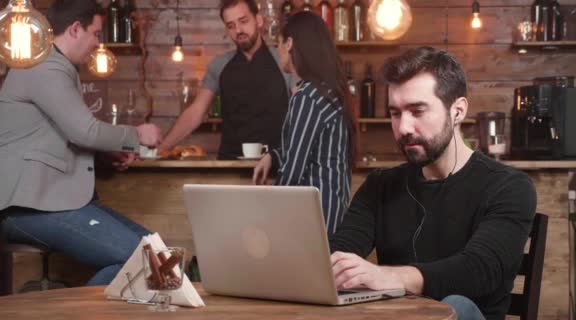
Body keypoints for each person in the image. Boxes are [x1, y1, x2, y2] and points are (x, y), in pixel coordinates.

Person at [328, 47, 537, 320]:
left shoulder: (509, 187)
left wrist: (387, 276)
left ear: (458, 111)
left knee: (456, 304)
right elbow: (339, 252)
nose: (403, 127)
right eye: (395, 113)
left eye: (417, 111)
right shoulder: (380, 185)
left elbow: (478, 269)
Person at [0, 0, 162, 286]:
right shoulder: (45, 65)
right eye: (97, 34)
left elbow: (55, 138)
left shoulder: (54, 65)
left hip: (53, 203)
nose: (97, 44)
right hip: (29, 208)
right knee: (141, 258)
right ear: (75, 29)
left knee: (156, 256)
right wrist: (136, 136)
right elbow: (84, 131)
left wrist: (104, 156)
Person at [252, 12, 357, 235]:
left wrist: (264, 216)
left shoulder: (307, 97)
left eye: (278, 43)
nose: (277, 50)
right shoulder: (328, 92)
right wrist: (273, 156)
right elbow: (307, 148)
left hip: (315, 221)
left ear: (289, 44)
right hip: (333, 215)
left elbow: (293, 171)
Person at [158, 0, 296, 160]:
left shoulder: (283, 61)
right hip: (229, 167)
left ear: (258, 20)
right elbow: (196, 112)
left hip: (275, 167)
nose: (238, 30)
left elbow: (301, 111)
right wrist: (159, 150)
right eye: (231, 26)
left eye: (243, 21)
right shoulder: (219, 64)